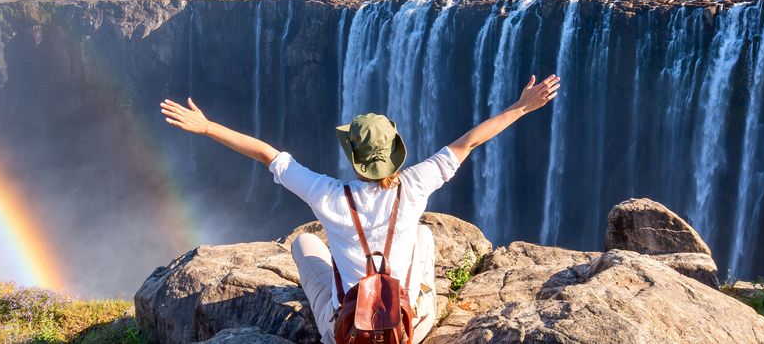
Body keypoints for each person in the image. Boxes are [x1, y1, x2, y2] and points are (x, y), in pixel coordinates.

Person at [160, 73, 560, 343]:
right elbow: (468, 142)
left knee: (303, 244)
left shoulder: (327, 194)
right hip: (410, 331)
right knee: (422, 233)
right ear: (395, 155)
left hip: (346, 335)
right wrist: (522, 106)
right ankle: (422, 301)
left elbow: (268, 156)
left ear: (353, 157)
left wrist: (208, 127)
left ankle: (342, 304)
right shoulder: (416, 184)